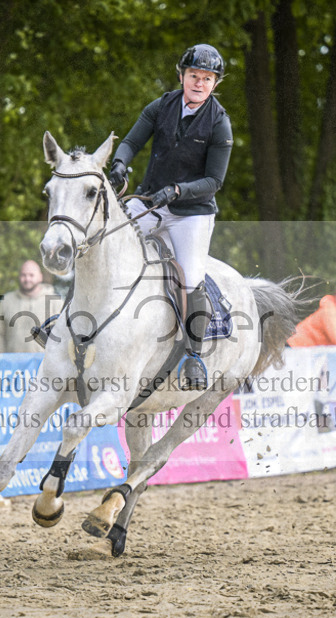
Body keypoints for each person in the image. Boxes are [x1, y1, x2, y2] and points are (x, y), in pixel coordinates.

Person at [108, 44, 233, 391]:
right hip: (149, 199)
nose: (199, 82)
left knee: (190, 277)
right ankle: (70, 320)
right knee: (105, 240)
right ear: (182, 76)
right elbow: (131, 141)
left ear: (214, 84)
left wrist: (177, 191)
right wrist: (119, 164)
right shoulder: (161, 105)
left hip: (190, 213)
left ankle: (194, 356)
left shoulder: (219, 123)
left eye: (207, 79)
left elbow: (214, 181)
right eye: (194, 75)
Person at [0, 260, 63, 354]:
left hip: (45, 364)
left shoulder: (56, 302)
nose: (27, 279)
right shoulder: (7, 301)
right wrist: (0, 359)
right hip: (13, 363)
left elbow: (63, 334)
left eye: (31, 275)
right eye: (23, 275)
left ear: (40, 277)